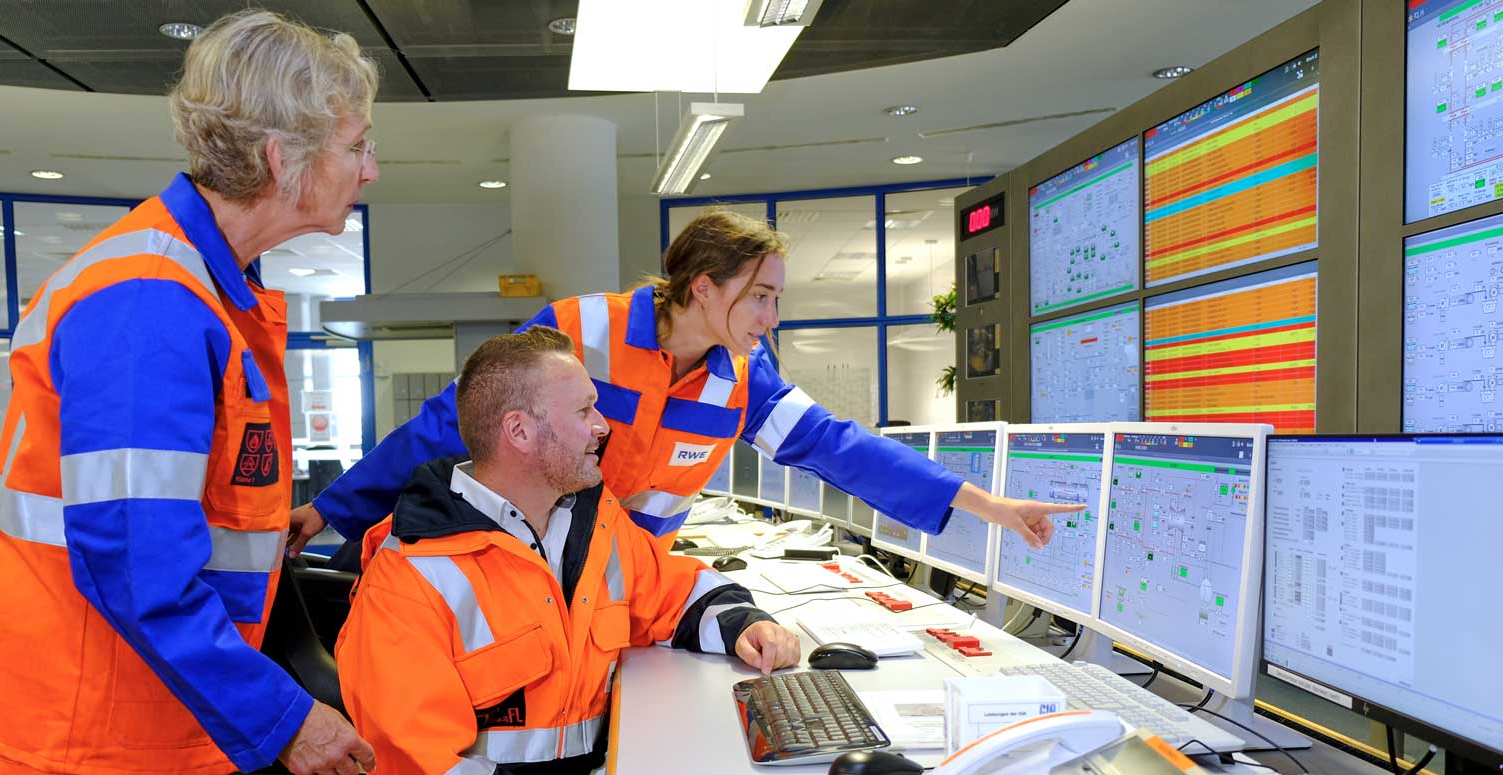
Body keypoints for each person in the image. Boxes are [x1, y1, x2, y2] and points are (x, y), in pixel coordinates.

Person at [0, 11, 381, 775]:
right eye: (357, 145)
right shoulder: (152, 304)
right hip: (94, 739)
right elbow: (137, 567)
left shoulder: (205, 285)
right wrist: (284, 719)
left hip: (137, 712)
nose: (370, 171)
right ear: (282, 159)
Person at [289, 211, 1084, 558]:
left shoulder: (744, 379)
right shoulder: (579, 330)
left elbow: (841, 450)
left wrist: (988, 506)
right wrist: (329, 510)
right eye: (762, 295)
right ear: (704, 287)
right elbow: (444, 429)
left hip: (627, 595)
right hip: (528, 587)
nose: (773, 314)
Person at [336, 327, 802, 775]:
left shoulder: (590, 521)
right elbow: (427, 771)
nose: (603, 427)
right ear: (520, 431)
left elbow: (671, 591)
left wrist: (745, 624)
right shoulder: (410, 573)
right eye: (584, 410)